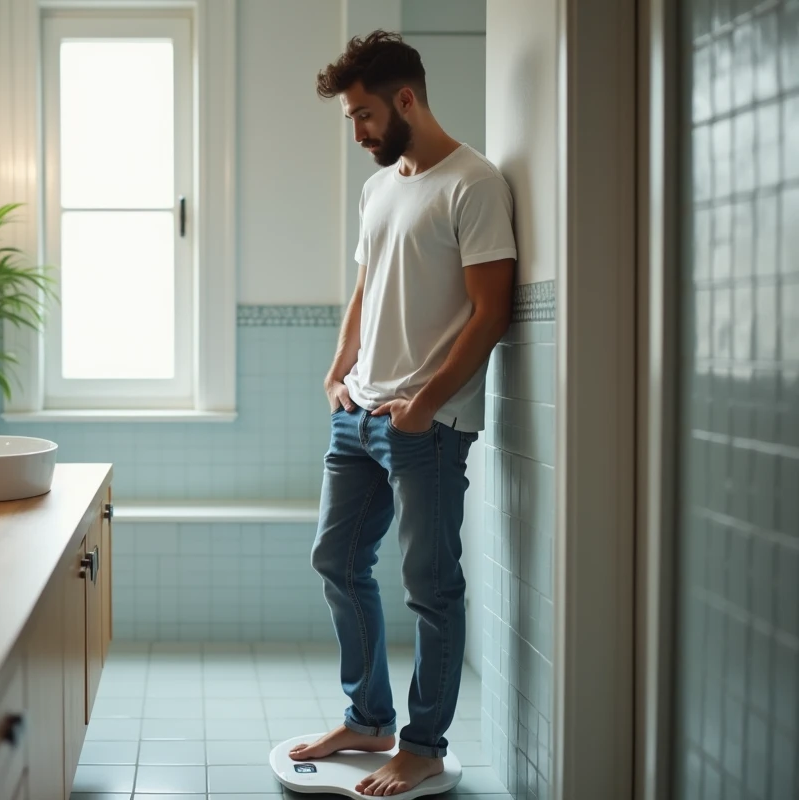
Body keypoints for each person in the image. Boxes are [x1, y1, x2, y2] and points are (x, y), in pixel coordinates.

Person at [291, 31, 516, 797]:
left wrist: (421, 406)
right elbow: (367, 287)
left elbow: (490, 313)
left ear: (406, 99)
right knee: (337, 561)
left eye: (363, 116)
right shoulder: (380, 187)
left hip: (427, 426)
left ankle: (421, 743)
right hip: (356, 414)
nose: (357, 132)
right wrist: (336, 371)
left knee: (431, 587)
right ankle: (369, 718)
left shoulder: (474, 183)